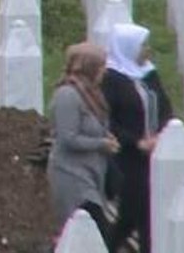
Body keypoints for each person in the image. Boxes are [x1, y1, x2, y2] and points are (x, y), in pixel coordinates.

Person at [102, 23, 174, 253]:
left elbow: (164, 107)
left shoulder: (149, 75)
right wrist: (137, 142)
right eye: (143, 45)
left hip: (154, 153)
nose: (147, 50)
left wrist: (161, 134)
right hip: (127, 157)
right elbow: (109, 121)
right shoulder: (111, 80)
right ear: (128, 47)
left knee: (142, 214)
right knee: (137, 210)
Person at [48, 42, 119, 246]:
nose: (104, 71)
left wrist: (107, 137)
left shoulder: (91, 94)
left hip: (91, 173)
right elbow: (68, 137)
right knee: (92, 229)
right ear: (89, 67)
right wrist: (101, 144)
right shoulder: (68, 96)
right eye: (100, 66)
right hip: (71, 175)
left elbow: (94, 126)